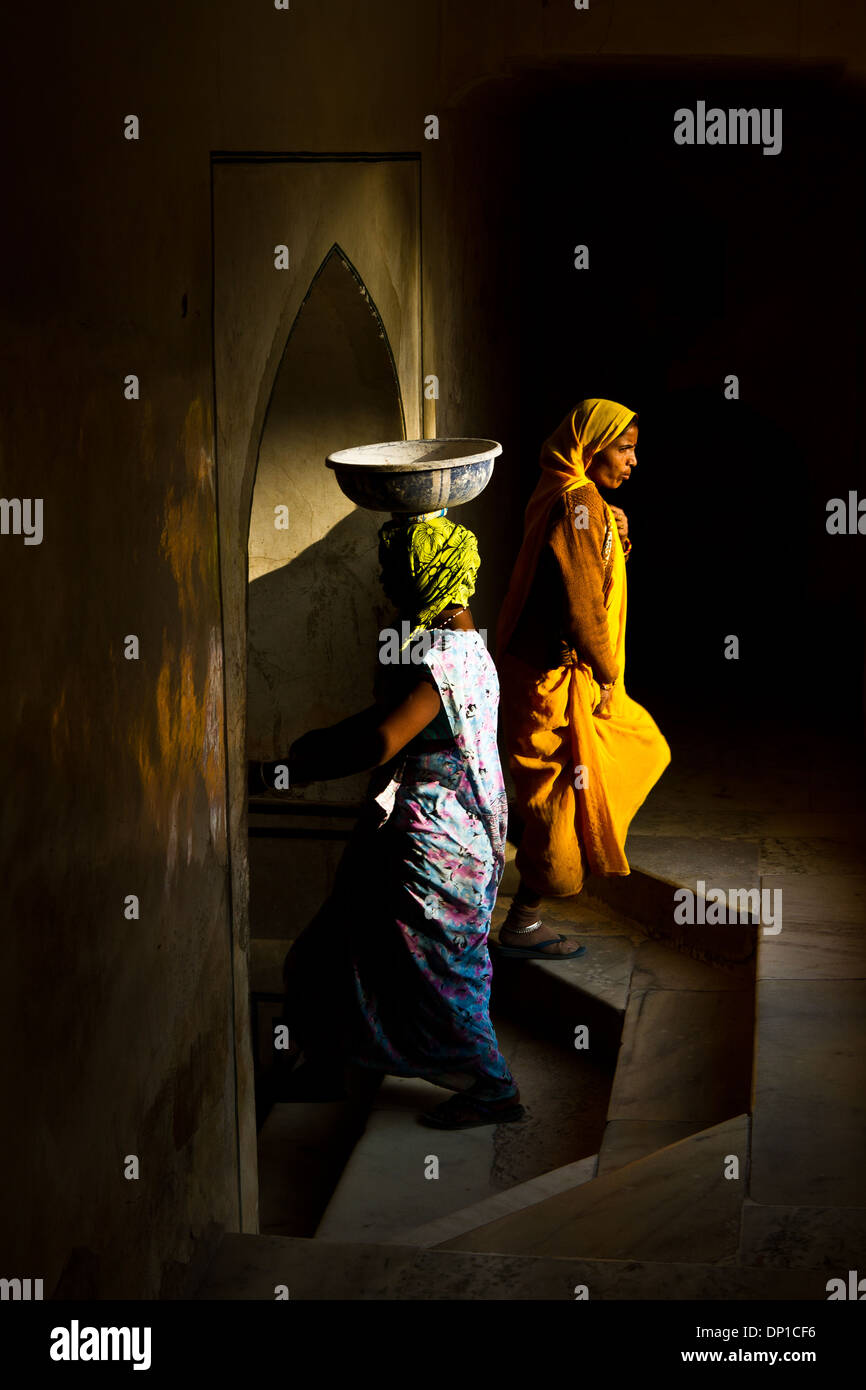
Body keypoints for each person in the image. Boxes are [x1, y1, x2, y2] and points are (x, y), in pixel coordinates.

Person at [278, 512, 524, 1130]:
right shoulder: (460, 646)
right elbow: (385, 715)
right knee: (334, 949)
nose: (386, 583)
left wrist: (307, 758)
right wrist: (322, 741)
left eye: (395, 571)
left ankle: (493, 1086)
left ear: (425, 577)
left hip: (432, 846)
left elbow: (381, 738)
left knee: (439, 972)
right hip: (424, 831)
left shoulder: (442, 658)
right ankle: (333, 1061)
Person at [495, 398, 670, 958]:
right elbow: (581, 603)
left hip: (538, 671)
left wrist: (614, 531)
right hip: (556, 676)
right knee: (561, 798)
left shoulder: (563, 492)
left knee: (569, 784)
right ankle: (523, 922)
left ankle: (531, 877)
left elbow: (579, 563)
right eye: (625, 448)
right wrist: (609, 675)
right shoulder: (580, 502)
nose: (634, 461)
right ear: (592, 450)